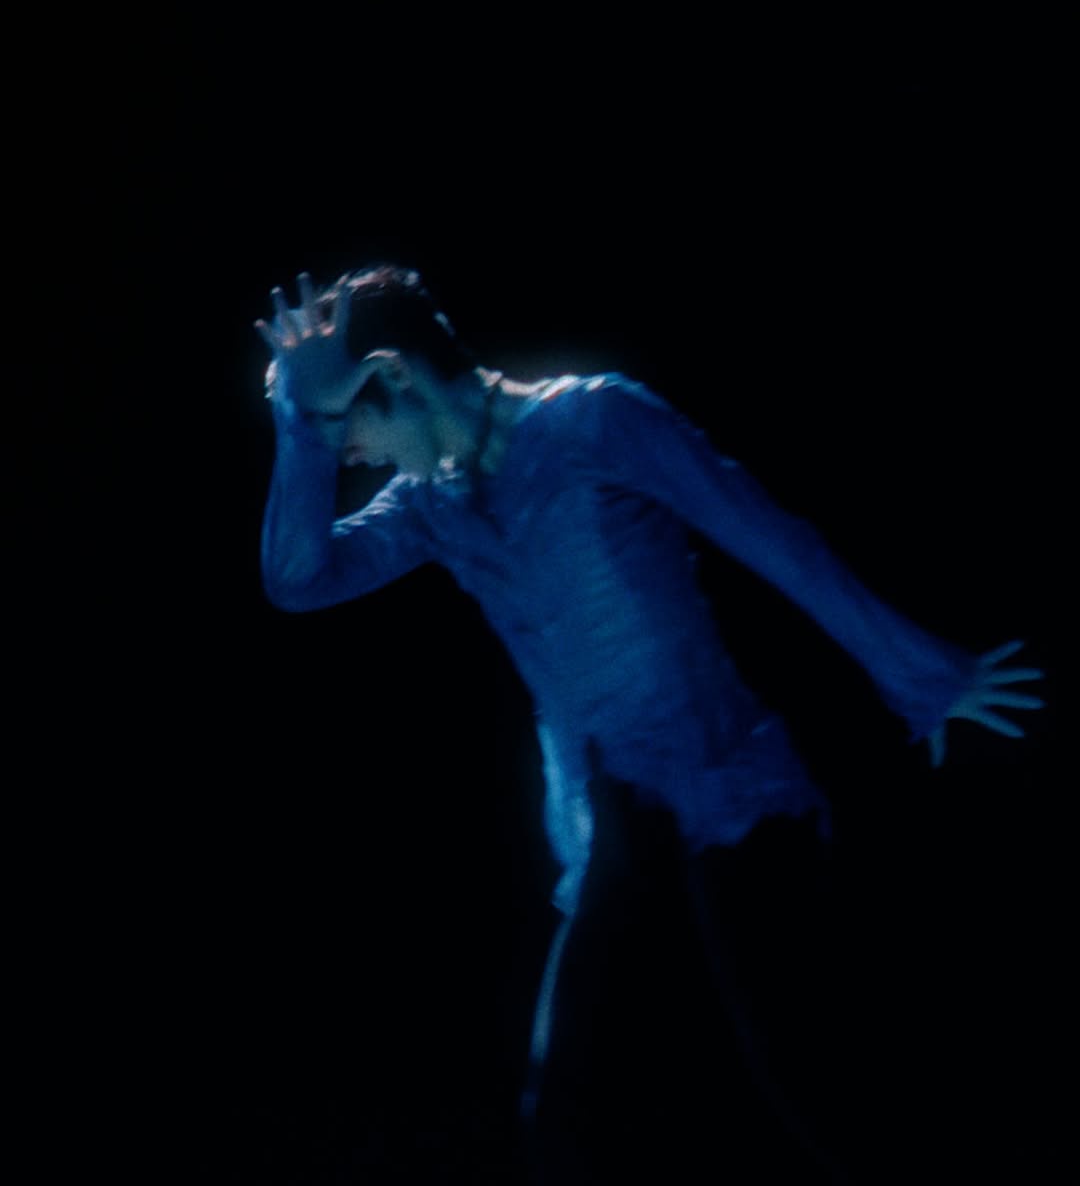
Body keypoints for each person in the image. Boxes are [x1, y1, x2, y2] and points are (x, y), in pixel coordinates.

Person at [255, 263, 1045, 1183]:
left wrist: (924, 676)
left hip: (735, 802)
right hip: (613, 837)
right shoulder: (432, 505)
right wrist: (299, 422)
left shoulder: (593, 422)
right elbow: (298, 579)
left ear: (393, 375)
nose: (348, 456)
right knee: (568, 1120)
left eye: (342, 424)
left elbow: (773, 538)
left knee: (823, 1091)